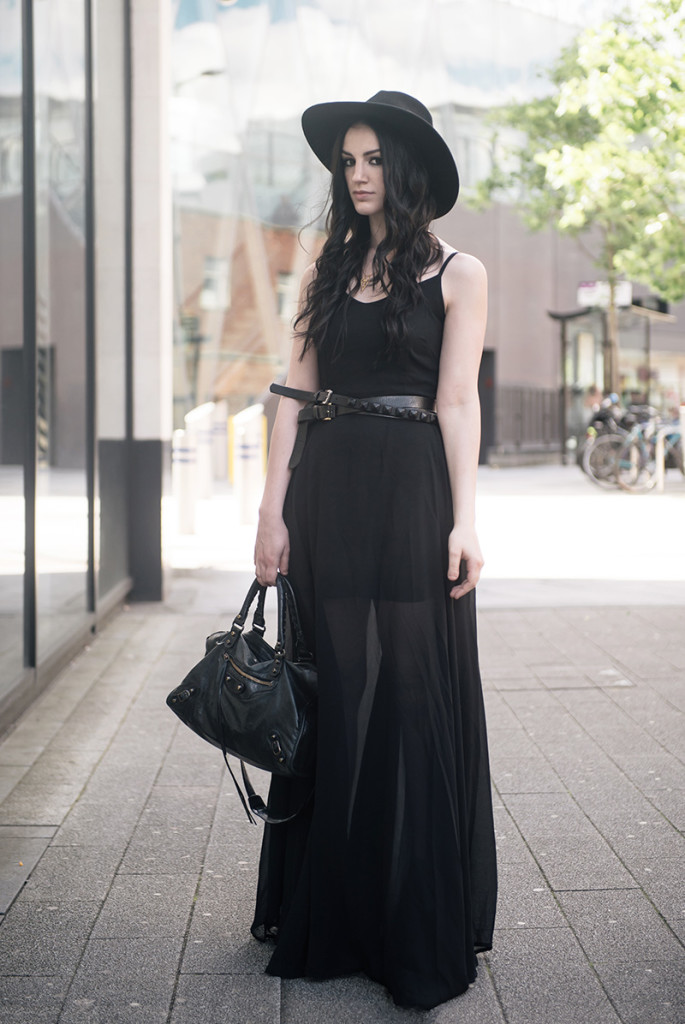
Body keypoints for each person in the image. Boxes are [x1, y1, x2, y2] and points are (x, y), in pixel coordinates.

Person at [252, 90, 497, 1011]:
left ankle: (411, 919)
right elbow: (292, 392)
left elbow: (457, 404)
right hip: (328, 494)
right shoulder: (326, 264)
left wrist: (465, 519)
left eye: (371, 159)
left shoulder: (459, 273)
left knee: (408, 693)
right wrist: (271, 513)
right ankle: (338, 910)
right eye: (346, 161)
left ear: (409, 168)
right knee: (336, 693)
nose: (356, 175)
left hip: (411, 495)